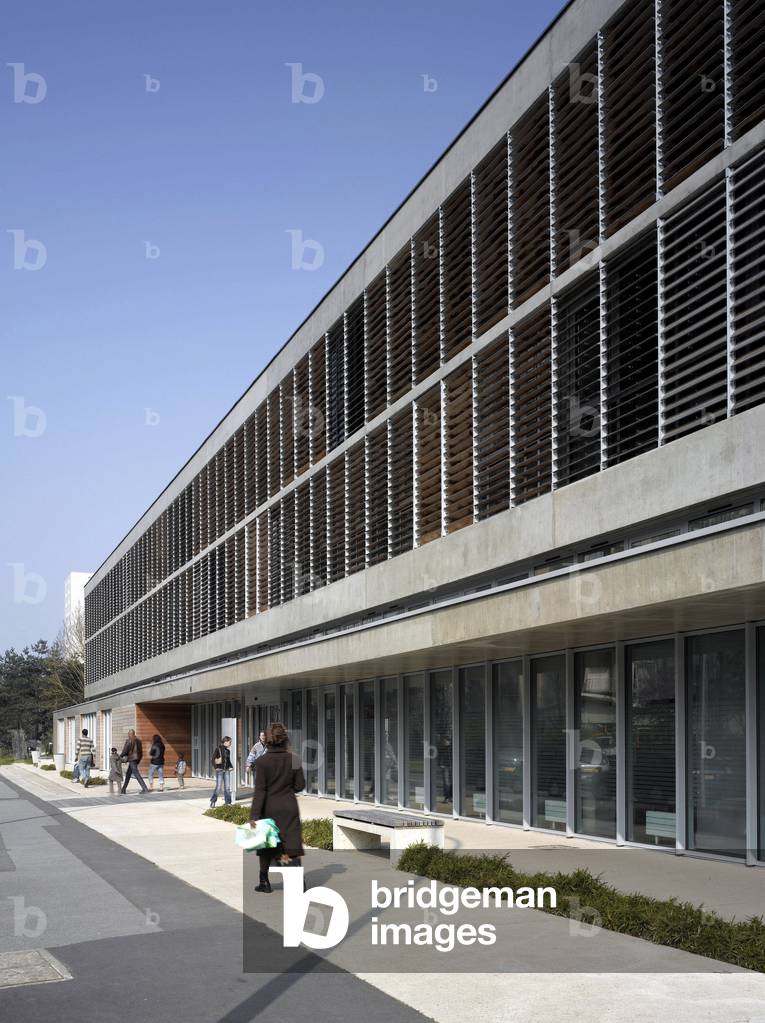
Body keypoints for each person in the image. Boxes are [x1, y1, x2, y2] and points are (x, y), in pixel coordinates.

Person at [249, 722, 305, 894]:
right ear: (285, 739)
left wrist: (254, 816)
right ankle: (297, 882)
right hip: (289, 806)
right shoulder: (294, 759)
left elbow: (260, 791)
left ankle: (264, 881)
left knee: (267, 845)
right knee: (289, 845)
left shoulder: (262, 762)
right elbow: (300, 785)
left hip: (269, 808)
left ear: (267, 740)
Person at [120, 729, 148, 794]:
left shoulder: (129, 741)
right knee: (128, 774)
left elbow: (125, 751)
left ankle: (145, 788)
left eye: (128, 734)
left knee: (136, 774)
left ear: (130, 734)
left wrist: (120, 756)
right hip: (135, 759)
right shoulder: (139, 741)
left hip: (132, 760)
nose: (128, 735)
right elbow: (141, 752)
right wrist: (139, 760)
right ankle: (123, 789)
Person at [209, 736, 234, 807]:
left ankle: (228, 803)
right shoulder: (218, 749)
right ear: (225, 742)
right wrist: (216, 768)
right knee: (218, 787)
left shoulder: (228, 751)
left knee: (227, 787)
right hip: (219, 770)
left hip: (226, 771)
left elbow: (228, 761)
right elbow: (213, 759)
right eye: (230, 742)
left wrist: (231, 766)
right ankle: (213, 801)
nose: (230, 744)